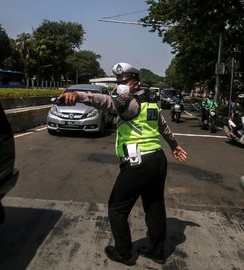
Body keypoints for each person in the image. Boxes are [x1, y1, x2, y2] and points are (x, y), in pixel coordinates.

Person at [57, 62, 188, 266]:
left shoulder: (131, 103)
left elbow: (107, 102)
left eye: (124, 81)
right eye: (118, 81)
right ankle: (157, 251)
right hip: (157, 159)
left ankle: (124, 253)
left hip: (139, 162)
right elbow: (162, 124)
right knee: (154, 206)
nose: (120, 85)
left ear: (135, 83)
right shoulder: (150, 100)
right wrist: (174, 145)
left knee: (117, 208)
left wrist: (81, 95)